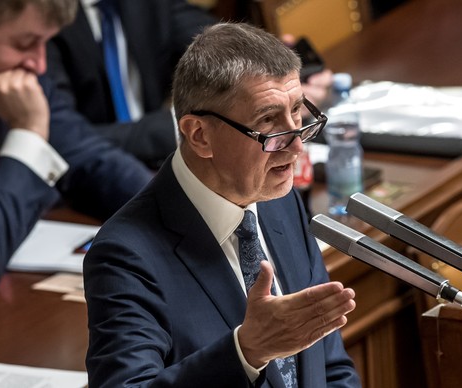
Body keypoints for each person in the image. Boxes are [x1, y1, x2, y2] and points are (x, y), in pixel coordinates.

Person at [84, 22, 360, 387]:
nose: (296, 147)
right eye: (268, 122)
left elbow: (332, 368)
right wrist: (245, 353)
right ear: (200, 135)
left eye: (297, 112)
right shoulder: (125, 255)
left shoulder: (280, 199)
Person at [0, 0, 153, 295]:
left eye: (45, 44)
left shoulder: (17, 72)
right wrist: (28, 132)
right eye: (26, 43)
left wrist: (175, 211)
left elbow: (92, 158)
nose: (39, 64)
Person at [45, 0, 334, 170]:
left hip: (164, 167)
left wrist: (274, 85)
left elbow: (213, 42)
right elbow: (61, 139)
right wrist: (188, 125)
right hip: (74, 195)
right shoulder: (40, 21)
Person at [45, 0, 216, 170]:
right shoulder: (45, 16)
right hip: (86, 180)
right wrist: (172, 128)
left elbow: (227, 50)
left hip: (162, 167)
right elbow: (63, 138)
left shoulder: (151, 5)